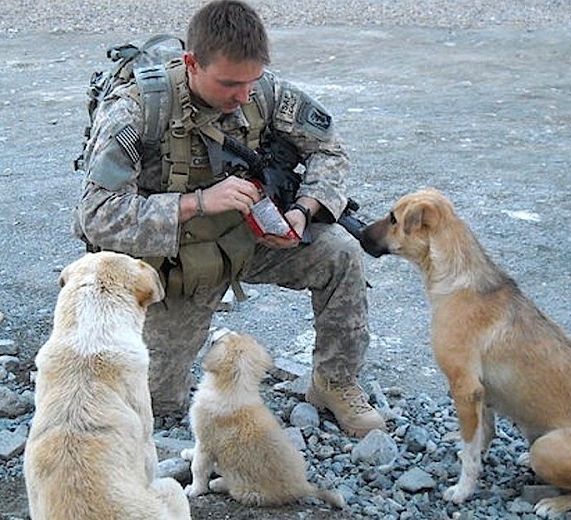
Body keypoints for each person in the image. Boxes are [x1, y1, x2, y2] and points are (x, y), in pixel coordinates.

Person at [72, 0, 385, 438]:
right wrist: (198, 202)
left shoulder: (262, 91)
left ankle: (334, 382)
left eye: (250, 82)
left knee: (341, 252)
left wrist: (303, 210)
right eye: (229, 84)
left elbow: (329, 149)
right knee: (154, 404)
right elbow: (98, 216)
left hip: (248, 239)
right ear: (191, 64)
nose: (242, 97)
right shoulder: (136, 110)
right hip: (175, 262)